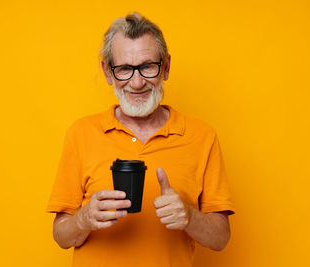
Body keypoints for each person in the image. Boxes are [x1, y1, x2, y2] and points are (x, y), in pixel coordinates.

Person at [47, 12, 235, 267]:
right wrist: (83, 219)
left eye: (147, 66)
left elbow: (221, 238)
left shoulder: (202, 136)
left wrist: (190, 216)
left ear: (166, 66)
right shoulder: (81, 133)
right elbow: (61, 235)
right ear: (107, 72)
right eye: (124, 69)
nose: (136, 83)